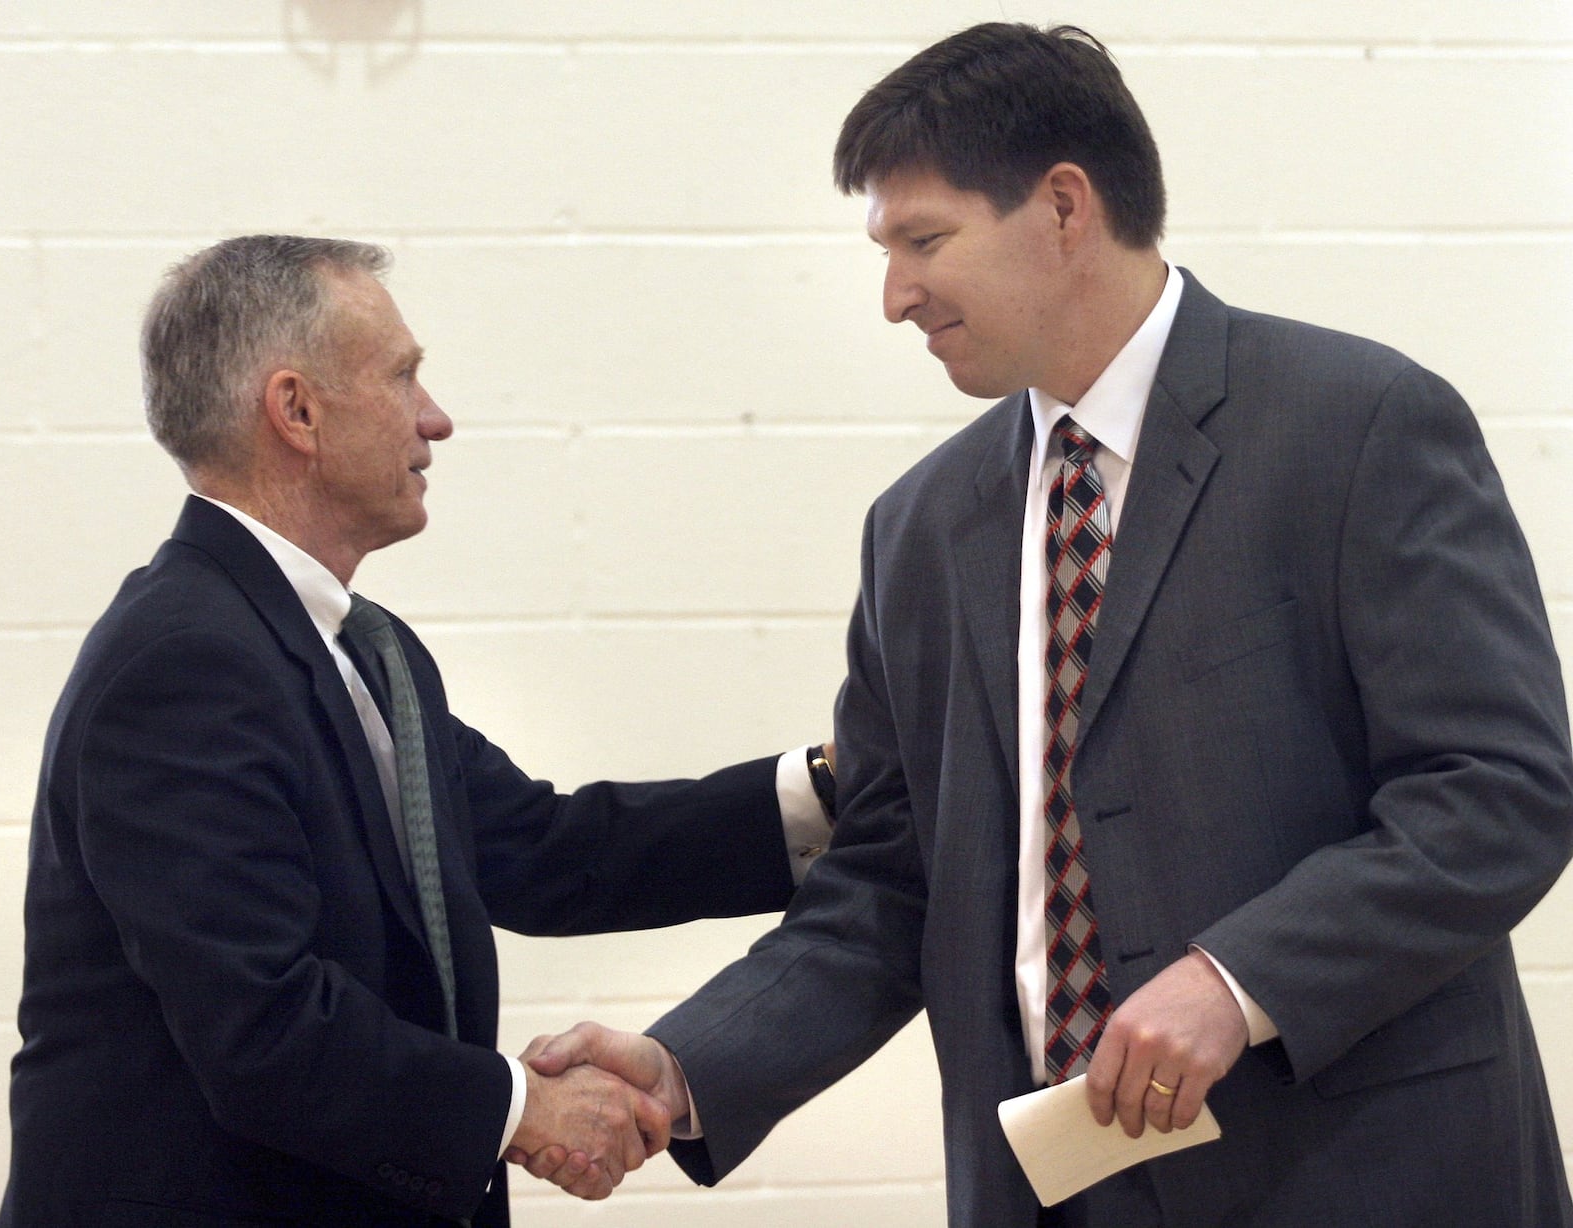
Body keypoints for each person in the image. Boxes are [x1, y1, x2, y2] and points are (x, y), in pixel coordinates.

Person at [519, 22, 1573, 1227]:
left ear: (1064, 206)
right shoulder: (918, 527)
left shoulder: (1360, 424)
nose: (894, 294)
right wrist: (690, 1067)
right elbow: (884, 882)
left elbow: (1497, 788)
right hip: (1051, 1191)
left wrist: (1239, 982)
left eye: (924, 240)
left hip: (1355, 1175)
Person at [0, 234, 836, 1228]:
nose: (435, 420)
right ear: (296, 409)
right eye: (403, 378)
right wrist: (525, 1108)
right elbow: (263, 1029)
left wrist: (834, 788)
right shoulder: (183, 662)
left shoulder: (364, 648)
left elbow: (544, 849)